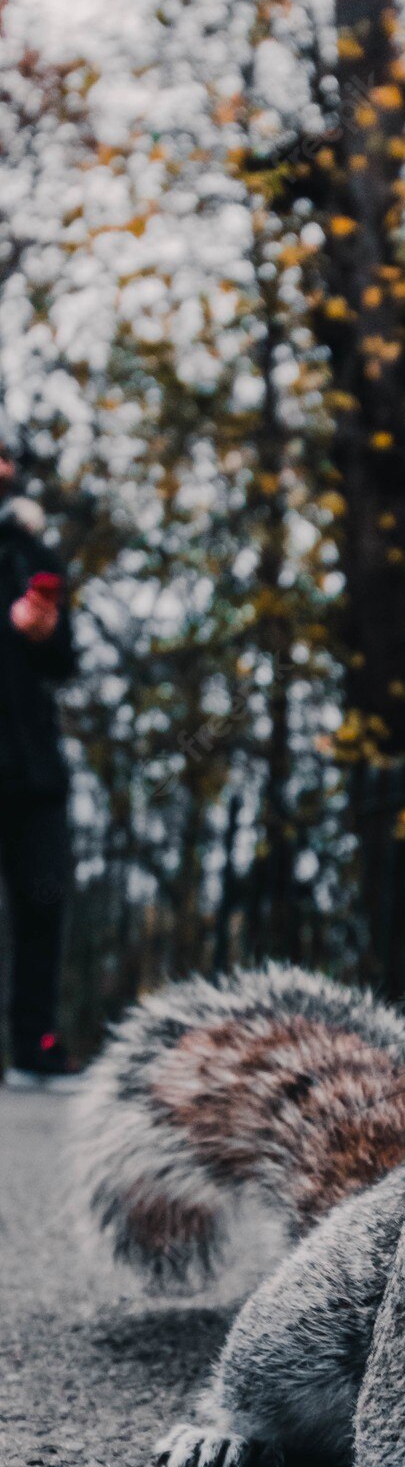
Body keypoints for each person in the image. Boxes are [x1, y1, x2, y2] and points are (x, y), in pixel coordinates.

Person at [0, 433, 78, 1088]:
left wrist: (45, 635)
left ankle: (35, 1047)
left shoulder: (34, 554)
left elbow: (65, 663)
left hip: (31, 767)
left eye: (6, 457)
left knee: (43, 901)